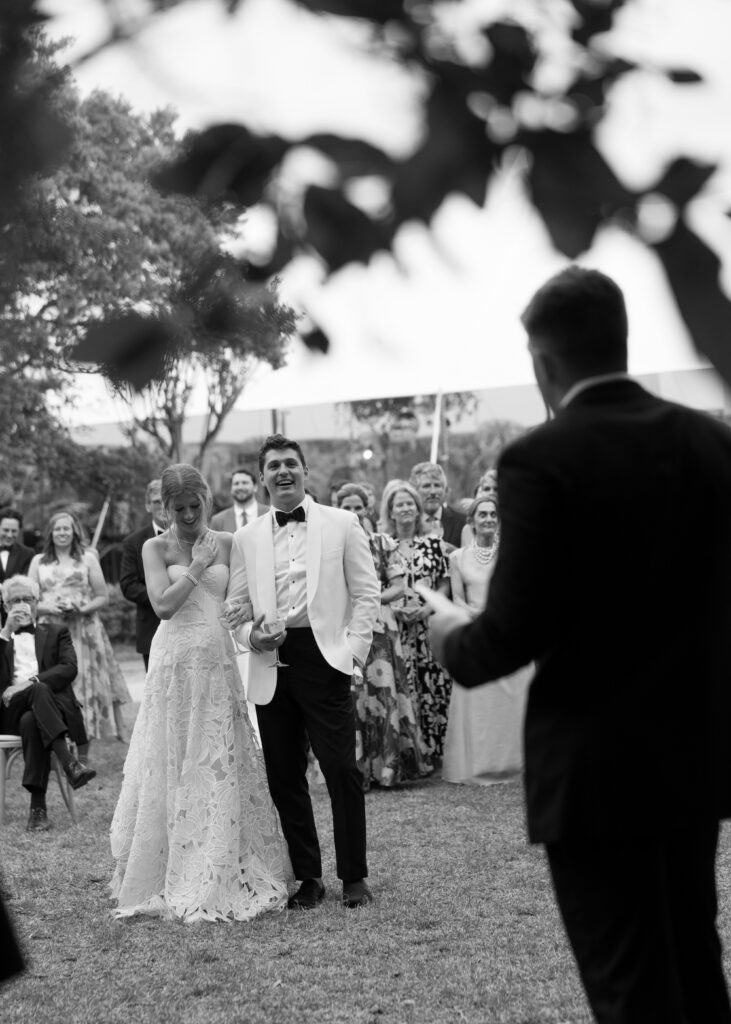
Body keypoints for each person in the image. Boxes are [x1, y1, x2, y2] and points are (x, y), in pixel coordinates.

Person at [427, 266, 731, 1024]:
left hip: (597, 771)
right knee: (695, 967)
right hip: (694, 754)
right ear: (619, 340)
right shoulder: (711, 442)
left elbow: (507, 637)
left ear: (543, 361)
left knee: (628, 987)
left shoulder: (541, 460)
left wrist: (448, 633)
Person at [110, 463, 291, 922]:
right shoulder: (155, 547)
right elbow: (163, 606)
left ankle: (223, 858)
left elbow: (239, 598)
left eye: (195, 506)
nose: (189, 516)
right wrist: (195, 565)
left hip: (217, 660)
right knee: (175, 758)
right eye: (179, 509)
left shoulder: (230, 541)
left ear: (207, 500)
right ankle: (174, 865)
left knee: (218, 756)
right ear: (166, 508)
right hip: (175, 662)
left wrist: (242, 610)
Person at [225, 434, 380, 910]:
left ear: (305, 471)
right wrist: (253, 638)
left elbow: (367, 593)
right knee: (284, 776)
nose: (283, 472)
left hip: (325, 657)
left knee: (340, 770)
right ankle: (308, 877)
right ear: (262, 477)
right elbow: (235, 607)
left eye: (290, 463)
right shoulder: (246, 538)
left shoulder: (342, 523)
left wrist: (352, 654)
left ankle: (354, 876)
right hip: (271, 660)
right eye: (273, 466)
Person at [335, 483, 431, 789]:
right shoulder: (331, 543)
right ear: (338, 509)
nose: (353, 512)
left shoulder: (382, 543)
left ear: (368, 509)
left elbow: (398, 588)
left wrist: (368, 597)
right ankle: (358, 769)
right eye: (347, 507)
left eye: (358, 507)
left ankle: (388, 768)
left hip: (380, 627)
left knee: (385, 693)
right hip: (344, 627)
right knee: (353, 695)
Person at [442, 495, 532, 783]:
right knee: (480, 704)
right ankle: (480, 763)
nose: (489, 519)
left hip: (507, 631)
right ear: (472, 520)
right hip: (476, 632)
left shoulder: (511, 554)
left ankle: (515, 762)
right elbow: (457, 598)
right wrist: (477, 617)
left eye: (493, 514)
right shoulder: (458, 558)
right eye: (483, 514)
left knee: (511, 701)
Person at [0, 575, 95, 832]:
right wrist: (6, 632)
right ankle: (70, 763)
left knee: (32, 718)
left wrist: (28, 683)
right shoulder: (1, 638)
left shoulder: (56, 632)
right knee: (37, 693)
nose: (22, 604)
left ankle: (38, 811)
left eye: (27, 599)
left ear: (36, 602)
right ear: (5, 606)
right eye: (15, 600)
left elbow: (69, 668)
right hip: (9, 710)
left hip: (49, 709)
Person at [29, 511, 131, 748]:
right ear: (50, 533)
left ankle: (84, 742)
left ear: (74, 531)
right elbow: (28, 600)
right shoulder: (38, 561)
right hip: (50, 630)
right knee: (53, 681)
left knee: (83, 681)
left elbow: (102, 596)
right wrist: (49, 607)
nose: (62, 533)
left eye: (67, 528)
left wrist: (82, 609)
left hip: (84, 630)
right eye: (57, 529)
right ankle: (55, 740)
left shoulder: (88, 558)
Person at [380, 480, 452, 763]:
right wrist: (395, 608)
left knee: (431, 683)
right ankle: (411, 753)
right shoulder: (385, 545)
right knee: (405, 686)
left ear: (418, 509)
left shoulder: (433, 543)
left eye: (410, 503)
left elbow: (444, 582)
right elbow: (381, 583)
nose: (406, 508)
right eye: (399, 504)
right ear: (390, 511)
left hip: (428, 626)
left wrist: (428, 608)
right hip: (397, 627)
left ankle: (435, 750)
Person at [119, 479, 165, 670]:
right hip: (151, 627)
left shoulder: (189, 536)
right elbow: (128, 585)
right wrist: (161, 598)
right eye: (157, 501)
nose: (162, 506)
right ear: (148, 505)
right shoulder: (133, 542)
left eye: (167, 500)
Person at [408, 462, 465, 548]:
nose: (433, 492)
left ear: (445, 490)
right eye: (426, 486)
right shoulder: (407, 523)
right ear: (414, 491)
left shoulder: (462, 522)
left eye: (437, 485)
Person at [210, 467, 267, 532]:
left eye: (244, 483)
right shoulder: (218, 521)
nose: (240, 487)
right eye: (236, 483)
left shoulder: (270, 514)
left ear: (255, 487)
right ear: (231, 489)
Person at [0, 508, 35, 584]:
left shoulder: (27, 554)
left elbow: (27, 583)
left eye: (14, 531)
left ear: (19, 530)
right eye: (6, 530)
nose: (9, 535)